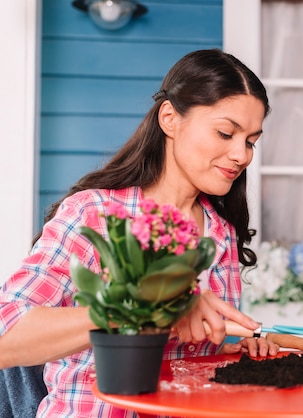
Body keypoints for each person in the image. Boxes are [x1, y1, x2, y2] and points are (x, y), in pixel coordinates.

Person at [0, 48, 280, 417]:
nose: (241, 155)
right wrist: (141, 308)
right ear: (170, 119)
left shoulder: (221, 234)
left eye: (250, 141)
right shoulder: (95, 214)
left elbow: (190, 359)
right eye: (225, 133)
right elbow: (7, 334)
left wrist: (233, 348)